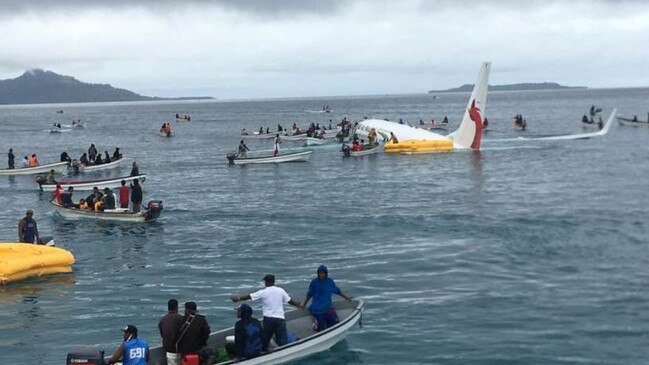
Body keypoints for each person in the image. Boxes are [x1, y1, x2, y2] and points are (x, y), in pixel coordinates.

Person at [231, 274, 302, 351]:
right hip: (280, 319)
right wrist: (298, 304)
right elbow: (289, 301)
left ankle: (264, 352)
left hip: (268, 319)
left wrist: (238, 298)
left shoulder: (264, 292)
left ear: (266, 282)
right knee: (282, 340)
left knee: (265, 339)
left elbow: (250, 296)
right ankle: (284, 352)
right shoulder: (281, 290)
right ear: (273, 281)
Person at [301, 265, 352, 332]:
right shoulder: (314, 283)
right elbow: (309, 295)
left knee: (335, 325)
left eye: (323, 273)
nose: (322, 275)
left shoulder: (329, 282)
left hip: (328, 308)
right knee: (321, 329)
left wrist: (347, 298)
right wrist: (304, 304)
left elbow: (338, 291)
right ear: (318, 274)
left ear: (326, 274)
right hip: (317, 310)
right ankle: (315, 324)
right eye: (320, 273)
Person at [159, 299, 184, 365]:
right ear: (176, 307)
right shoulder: (181, 318)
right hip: (178, 348)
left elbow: (162, 334)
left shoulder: (163, 319)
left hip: (166, 347)